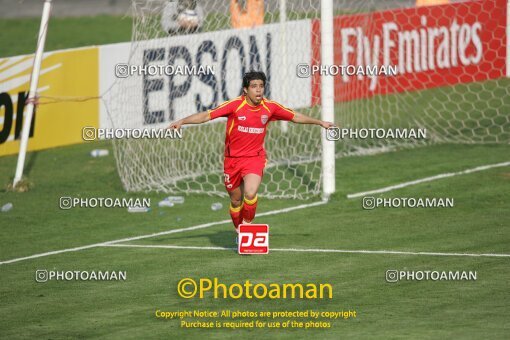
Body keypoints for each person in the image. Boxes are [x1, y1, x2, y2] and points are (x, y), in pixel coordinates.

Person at [168, 71, 335, 240]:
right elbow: (206, 115)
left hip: (255, 158)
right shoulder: (234, 105)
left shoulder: (270, 107)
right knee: (235, 200)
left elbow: (295, 116)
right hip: (231, 160)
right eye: (254, 86)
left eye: (261, 86)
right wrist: (182, 121)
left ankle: (246, 225)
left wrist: (320, 122)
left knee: (250, 192)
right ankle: (239, 227)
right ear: (245, 90)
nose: (258, 90)